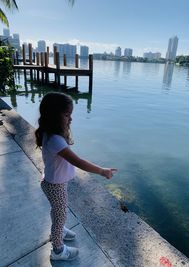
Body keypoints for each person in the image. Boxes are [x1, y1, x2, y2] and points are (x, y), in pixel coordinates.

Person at [35, 92, 117, 261]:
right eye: (67, 115)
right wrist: (102, 171)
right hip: (55, 186)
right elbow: (78, 162)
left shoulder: (48, 133)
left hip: (52, 182)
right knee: (60, 215)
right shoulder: (56, 140)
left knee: (58, 212)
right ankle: (57, 250)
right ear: (53, 116)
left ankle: (60, 229)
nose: (70, 119)